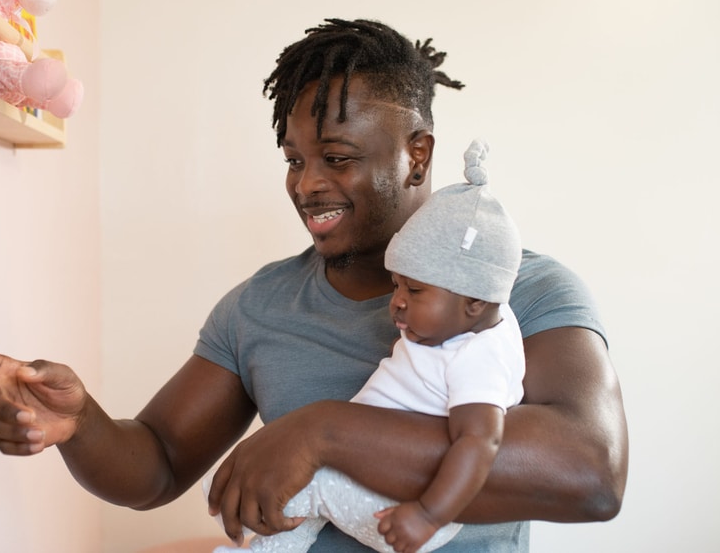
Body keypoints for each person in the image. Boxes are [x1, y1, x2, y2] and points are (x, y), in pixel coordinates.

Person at [0, 18, 628, 553]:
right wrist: (79, 424)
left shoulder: (521, 291)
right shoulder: (260, 305)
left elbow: (591, 473)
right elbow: (159, 463)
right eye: (294, 158)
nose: (307, 183)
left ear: (418, 156)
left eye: (338, 157)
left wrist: (324, 431)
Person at [214, 138, 526, 553]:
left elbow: (480, 442)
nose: (395, 301)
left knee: (293, 485)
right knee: (302, 501)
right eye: (396, 283)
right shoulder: (465, 321)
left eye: (414, 290)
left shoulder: (479, 356)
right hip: (373, 483)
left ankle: (235, 506)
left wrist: (429, 515)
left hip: (404, 507)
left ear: (475, 302)